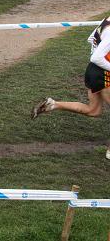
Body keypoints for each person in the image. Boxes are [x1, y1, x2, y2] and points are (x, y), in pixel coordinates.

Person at [31, 15, 110, 161]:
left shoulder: (107, 20)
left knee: (93, 110)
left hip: (94, 71)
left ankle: (53, 104)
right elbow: (97, 57)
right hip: (103, 73)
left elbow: (92, 41)